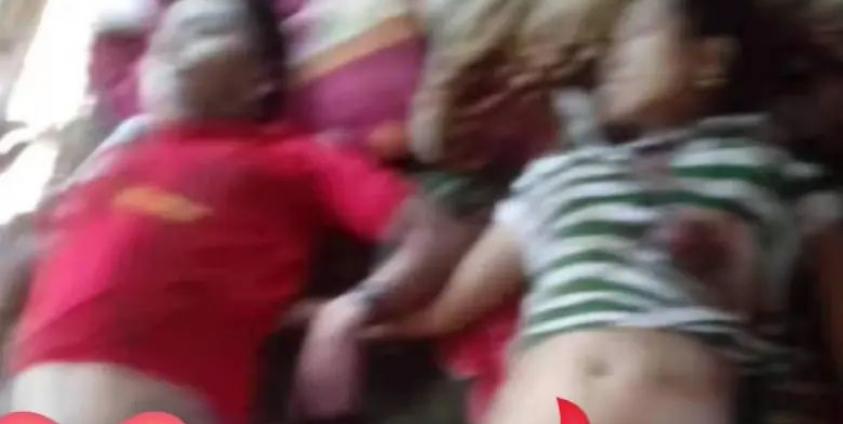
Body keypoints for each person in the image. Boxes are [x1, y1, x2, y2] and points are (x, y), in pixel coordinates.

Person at [301, 0, 843, 423]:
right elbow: (444, 312)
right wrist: (339, 317)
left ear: (709, 61)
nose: (611, 62)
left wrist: (736, 268)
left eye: (636, 39)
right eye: (608, 49)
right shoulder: (558, 177)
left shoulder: (774, 171)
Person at [0, 0, 469, 423]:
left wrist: (348, 311)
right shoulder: (113, 162)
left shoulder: (298, 157)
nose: (174, 48)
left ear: (262, 78)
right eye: (162, 41)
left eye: (205, 29)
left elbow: (435, 234)